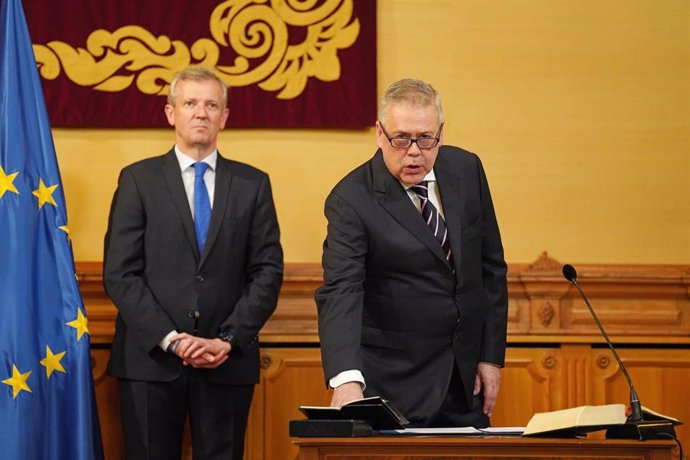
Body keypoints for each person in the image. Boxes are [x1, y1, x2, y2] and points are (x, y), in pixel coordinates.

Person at [103, 66, 283, 459]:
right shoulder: (137, 180)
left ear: (224, 116)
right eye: (190, 103)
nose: (201, 113)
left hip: (226, 361)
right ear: (171, 113)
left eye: (211, 105)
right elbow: (120, 272)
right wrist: (173, 339)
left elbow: (267, 272)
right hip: (150, 360)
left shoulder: (253, 184)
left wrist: (228, 340)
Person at [315, 78, 508, 428]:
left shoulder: (467, 170)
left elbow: (490, 267)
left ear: (441, 133)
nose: (414, 151)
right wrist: (345, 379)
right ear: (379, 133)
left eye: (426, 138)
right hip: (394, 384)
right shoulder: (350, 200)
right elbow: (341, 291)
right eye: (401, 139)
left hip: (464, 381)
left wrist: (490, 356)